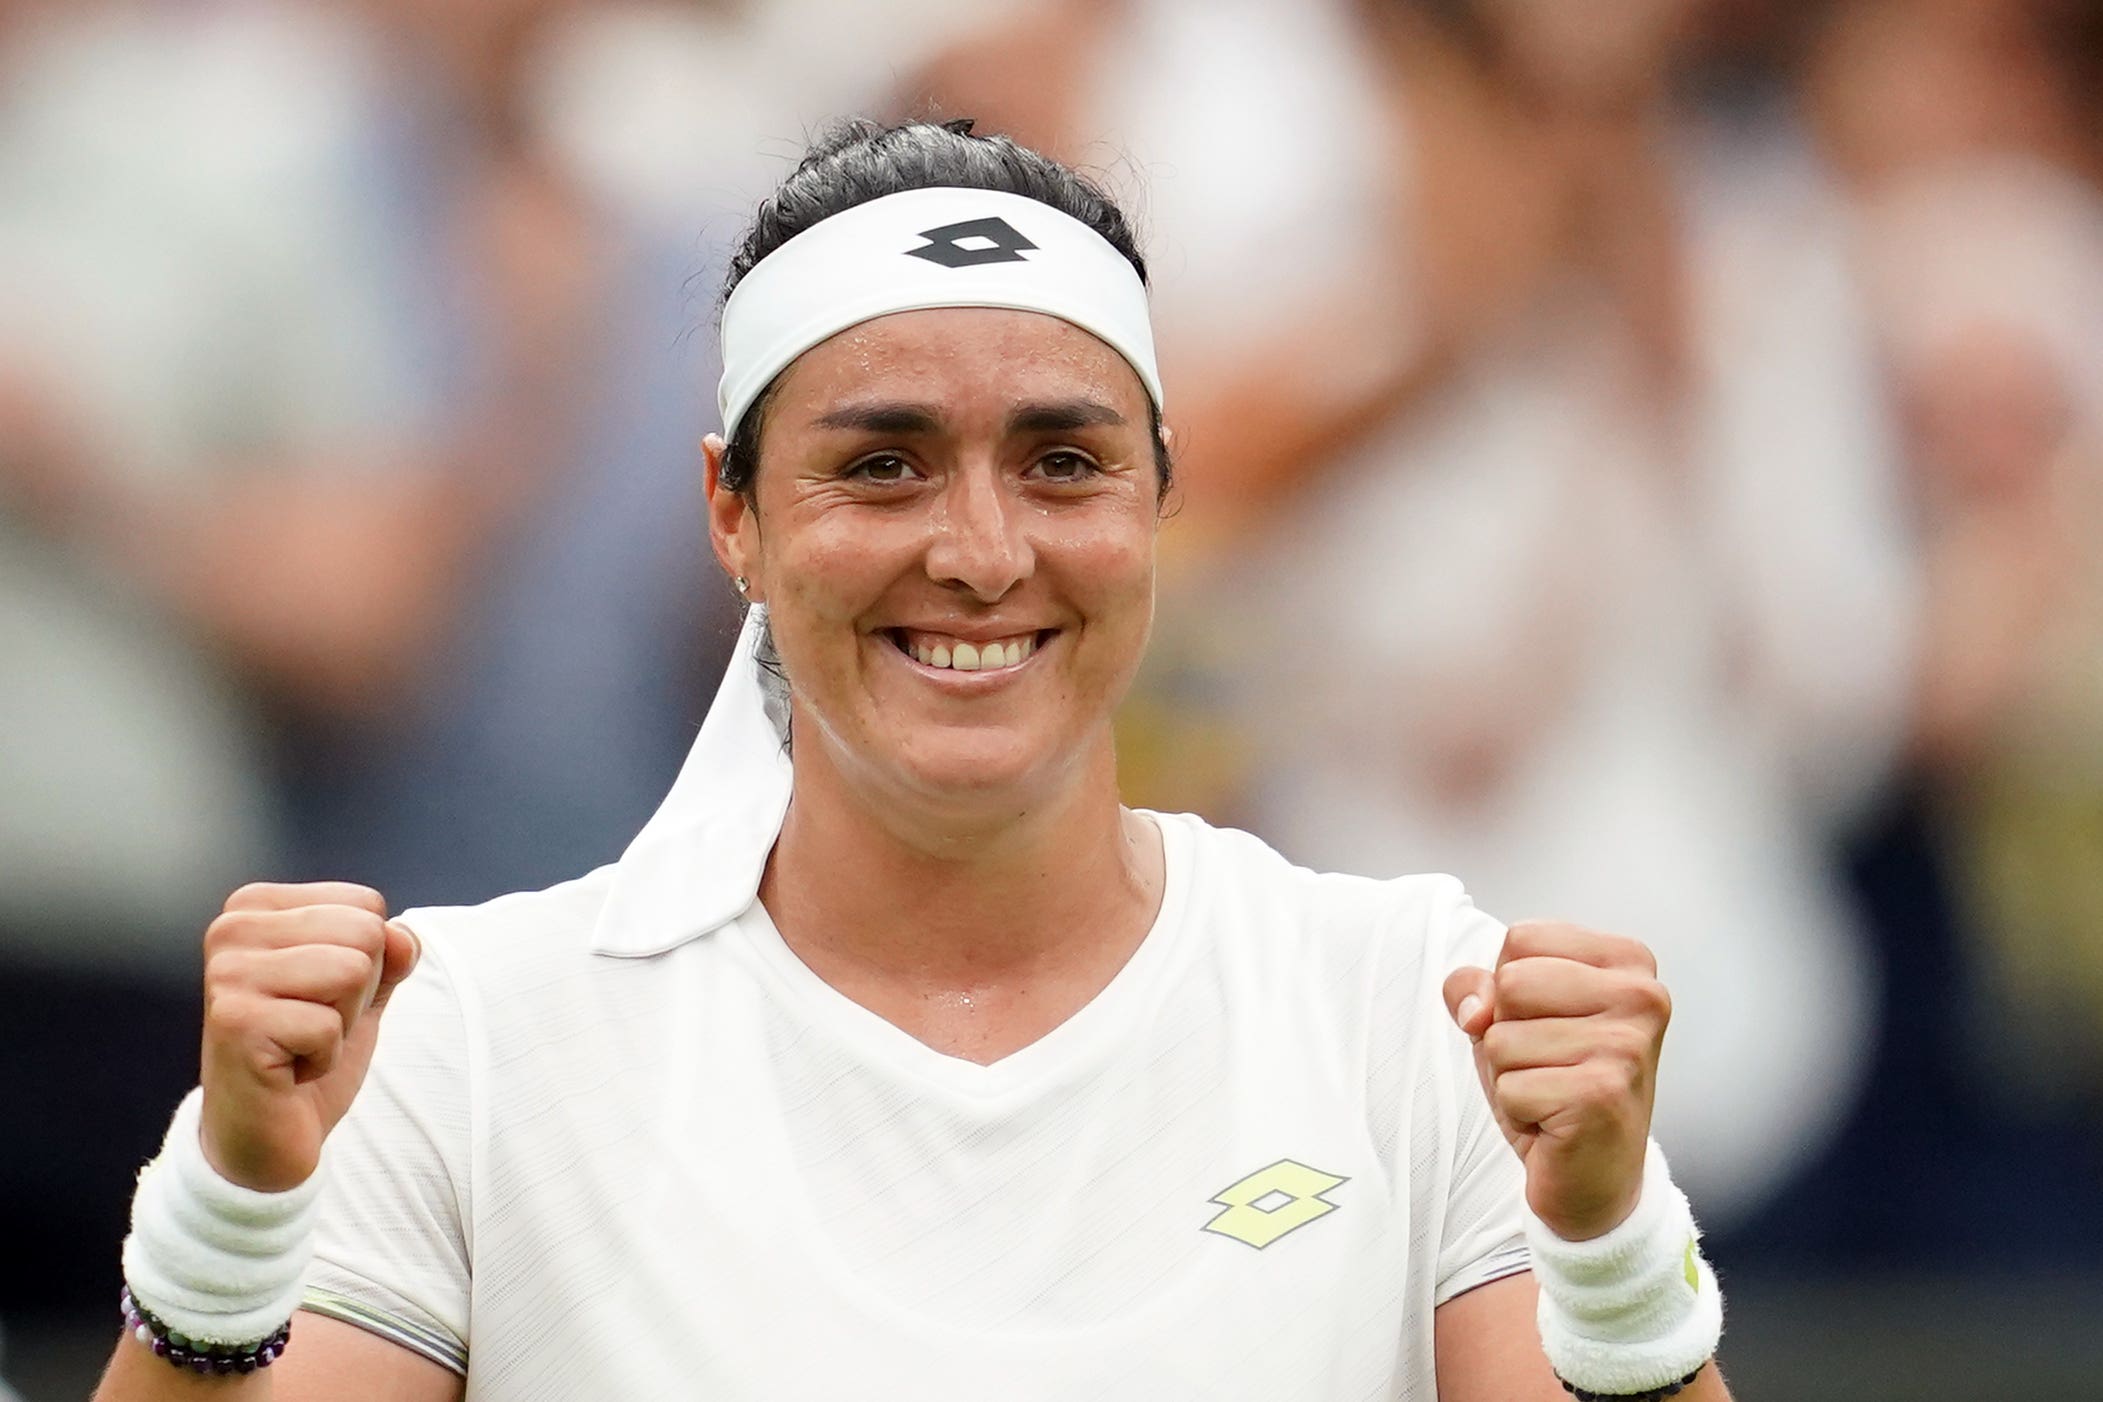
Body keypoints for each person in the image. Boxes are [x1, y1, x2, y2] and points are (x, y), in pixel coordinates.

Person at [94, 119, 1731, 1402]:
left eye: (1064, 461)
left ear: (1159, 500)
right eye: (882, 464)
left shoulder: (1413, 1010)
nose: (979, 548)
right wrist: (230, 1220)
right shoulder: (452, 1034)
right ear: (731, 511)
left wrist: (1612, 1259)